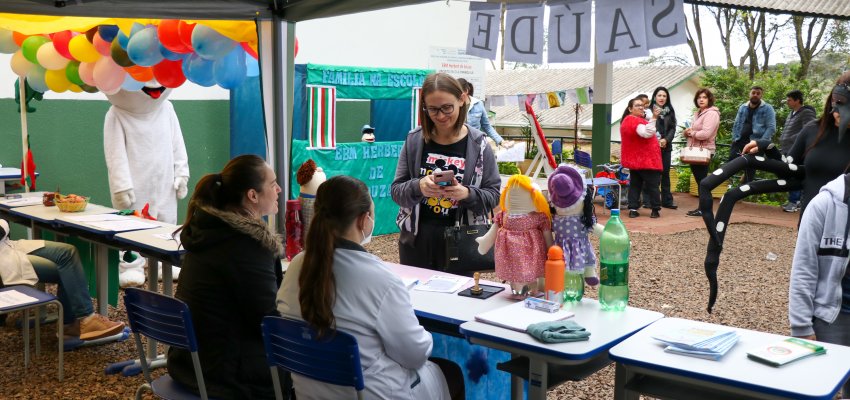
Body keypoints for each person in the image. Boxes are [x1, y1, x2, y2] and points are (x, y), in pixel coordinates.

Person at [277, 175, 464, 400]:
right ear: (363, 220)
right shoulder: (381, 280)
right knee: (450, 373)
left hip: (310, 393)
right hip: (370, 394)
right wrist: (425, 335)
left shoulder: (297, 266)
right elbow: (415, 355)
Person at [167, 154, 284, 399]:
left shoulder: (207, 231)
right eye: (273, 184)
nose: (279, 189)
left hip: (188, 363)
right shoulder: (247, 245)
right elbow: (268, 322)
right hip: (226, 377)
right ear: (253, 196)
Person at [391, 72, 500, 271]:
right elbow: (397, 192)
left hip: (463, 241)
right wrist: (419, 186)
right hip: (416, 241)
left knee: (457, 300)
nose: (440, 116)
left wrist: (467, 194)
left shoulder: (479, 144)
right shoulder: (415, 140)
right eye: (432, 109)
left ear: (462, 99)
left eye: (447, 107)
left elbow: (494, 196)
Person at [743, 71, 850, 216]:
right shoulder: (813, 129)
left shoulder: (805, 115)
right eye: (838, 101)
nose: (839, 112)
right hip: (811, 223)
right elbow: (788, 170)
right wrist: (768, 147)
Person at [0, 219, 125, 340]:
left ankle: (72, 325)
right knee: (69, 267)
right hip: (3, 257)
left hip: (9, 245)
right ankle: (84, 320)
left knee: (68, 252)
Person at [789, 173, 850, 398]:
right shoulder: (824, 204)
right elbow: (804, 268)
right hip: (832, 317)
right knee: (815, 387)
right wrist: (801, 327)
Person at [620, 97, 661, 218]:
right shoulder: (635, 121)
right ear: (630, 109)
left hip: (634, 160)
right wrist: (654, 117)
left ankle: (633, 209)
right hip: (646, 160)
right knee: (653, 185)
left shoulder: (627, 121)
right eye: (637, 105)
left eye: (642, 105)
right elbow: (647, 133)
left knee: (635, 185)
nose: (641, 107)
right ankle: (655, 209)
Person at [683, 88, 721, 217]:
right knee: (700, 181)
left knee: (703, 181)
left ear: (709, 99)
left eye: (704, 97)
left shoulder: (711, 114)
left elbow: (706, 133)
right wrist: (687, 133)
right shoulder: (698, 113)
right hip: (695, 151)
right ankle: (702, 208)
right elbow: (695, 131)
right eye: (699, 97)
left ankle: (704, 209)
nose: (701, 99)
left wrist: (691, 133)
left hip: (704, 151)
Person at [729, 86, 776, 184]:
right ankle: (724, 190)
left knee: (749, 171)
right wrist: (734, 138)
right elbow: (736, 123)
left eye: (758, 93)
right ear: (749, 94)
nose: (755, 95)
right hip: (739, 141)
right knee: (730, 165)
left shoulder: (768, 108)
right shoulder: (743, 107)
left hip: (755, 143)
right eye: (753, 93)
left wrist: (760, 143)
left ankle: (741, 194)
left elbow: (771, 127)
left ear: (761, 95)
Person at [641, 87, 678, 210]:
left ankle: (667, 200)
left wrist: (666, 140)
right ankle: (648, 200)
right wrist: (656, 141)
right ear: (655, 97)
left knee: (665, 173)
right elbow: (646, 127)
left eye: (664, 96)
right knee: (651, 174)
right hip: (651, 146)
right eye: (659, 95)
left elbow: (673, 128)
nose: (662, 98)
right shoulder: (648, 111)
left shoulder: (669, 111)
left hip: (665, 146)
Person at [780, 90, 816, 212]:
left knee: (795, 174)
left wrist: (793, 140)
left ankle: (794, 202)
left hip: (797, 150)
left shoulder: (806, 113)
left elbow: (809, 129)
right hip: (787, 149)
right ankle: (795, 200)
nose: (787, 102)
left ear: (797, 100)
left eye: (789, 100)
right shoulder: (792, 113)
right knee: (788, 174)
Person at [457, 78, 504, 146]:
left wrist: (500, 141)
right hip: (458, 143)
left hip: (475, 144)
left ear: (466, 91)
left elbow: (487, 126)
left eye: (459, 92)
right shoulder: (453, 105)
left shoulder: (478, 104)